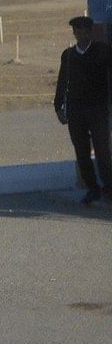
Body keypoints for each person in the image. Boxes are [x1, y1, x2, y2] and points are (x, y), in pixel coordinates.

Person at [54, 16, 112, 205]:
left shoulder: (103, 51)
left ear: (90, 32)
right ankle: (92, 189)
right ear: (74, 33)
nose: (81, 35)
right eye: (77, 31)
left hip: (98, 109)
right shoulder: (68, 55)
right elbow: (62, 82)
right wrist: (58, 106)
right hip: (76, 110)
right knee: (82, 152)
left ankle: (109, 188)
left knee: (103, 151)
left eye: (84, 31)